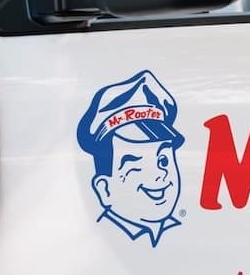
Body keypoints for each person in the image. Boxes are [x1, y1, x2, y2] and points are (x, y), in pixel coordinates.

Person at [77, 70, 185, 247]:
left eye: (163, 161)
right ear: (104, 189)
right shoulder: (99, 239)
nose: (159, 174)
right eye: (136, 165)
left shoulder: (176, 228)